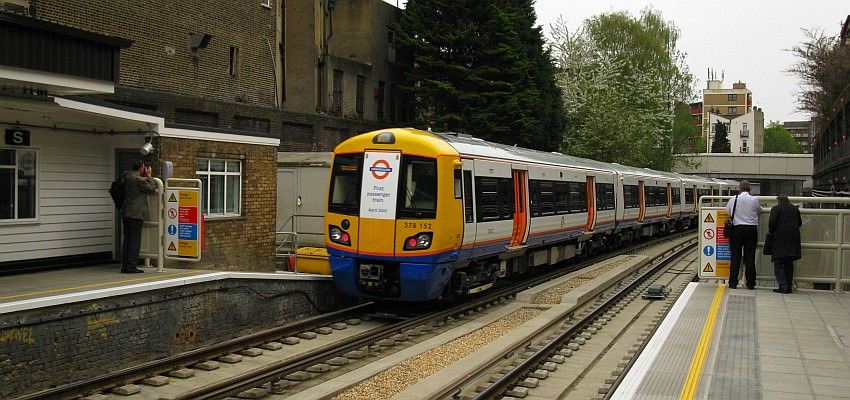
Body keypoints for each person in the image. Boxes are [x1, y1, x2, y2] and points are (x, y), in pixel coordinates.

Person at [121, 160, 157, 273]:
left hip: (127, 212)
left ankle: (125, 265)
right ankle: (131, 266)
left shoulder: (126, 176)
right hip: (136, 214)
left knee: (127, 240)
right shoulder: (137, 180)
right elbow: (151, 188)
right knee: (134, 241)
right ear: (141, 168)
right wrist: (149, 176)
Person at [725, 180, 761, 289]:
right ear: (749, 189)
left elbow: (728, 211)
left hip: (736, 229)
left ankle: (732, 283)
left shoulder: (734, 199)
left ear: (740, 189)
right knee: (750, 256)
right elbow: (759, 210)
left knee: (735, 257)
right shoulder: (754, 199)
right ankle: (750, 283)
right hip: (751, 230)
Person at [768, 194, 802, 293]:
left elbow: (772, 223)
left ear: (779, 201)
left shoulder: (776, 209)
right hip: (793, 239)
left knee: (778, 263)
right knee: (789, 264)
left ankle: (783, 286)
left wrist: (772, 231)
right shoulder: (795, 209)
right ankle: (789, 286)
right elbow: (799, 223)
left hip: (780, 239)